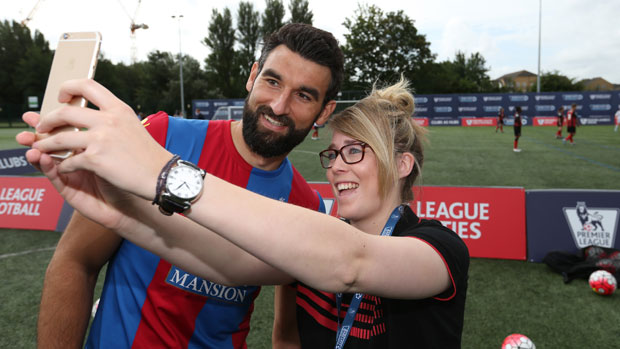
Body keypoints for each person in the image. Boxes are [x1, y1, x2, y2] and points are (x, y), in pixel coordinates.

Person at [20, 77, 470, 348]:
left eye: (354, 152)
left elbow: (352, 263)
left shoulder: (439, 249)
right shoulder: (314, 240)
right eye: (331, 155)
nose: (336, 168)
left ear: (403, 165)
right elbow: (229, 263)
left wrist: (161, 171)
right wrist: (117, 211)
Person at [18, 23, 344, 348]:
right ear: (253, 75)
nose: (278, 106)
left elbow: (287, 336)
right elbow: (76, 262)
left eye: (303, 95)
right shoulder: (159, 138)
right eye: (272, 81)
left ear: (324, 111)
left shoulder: (307, 209)